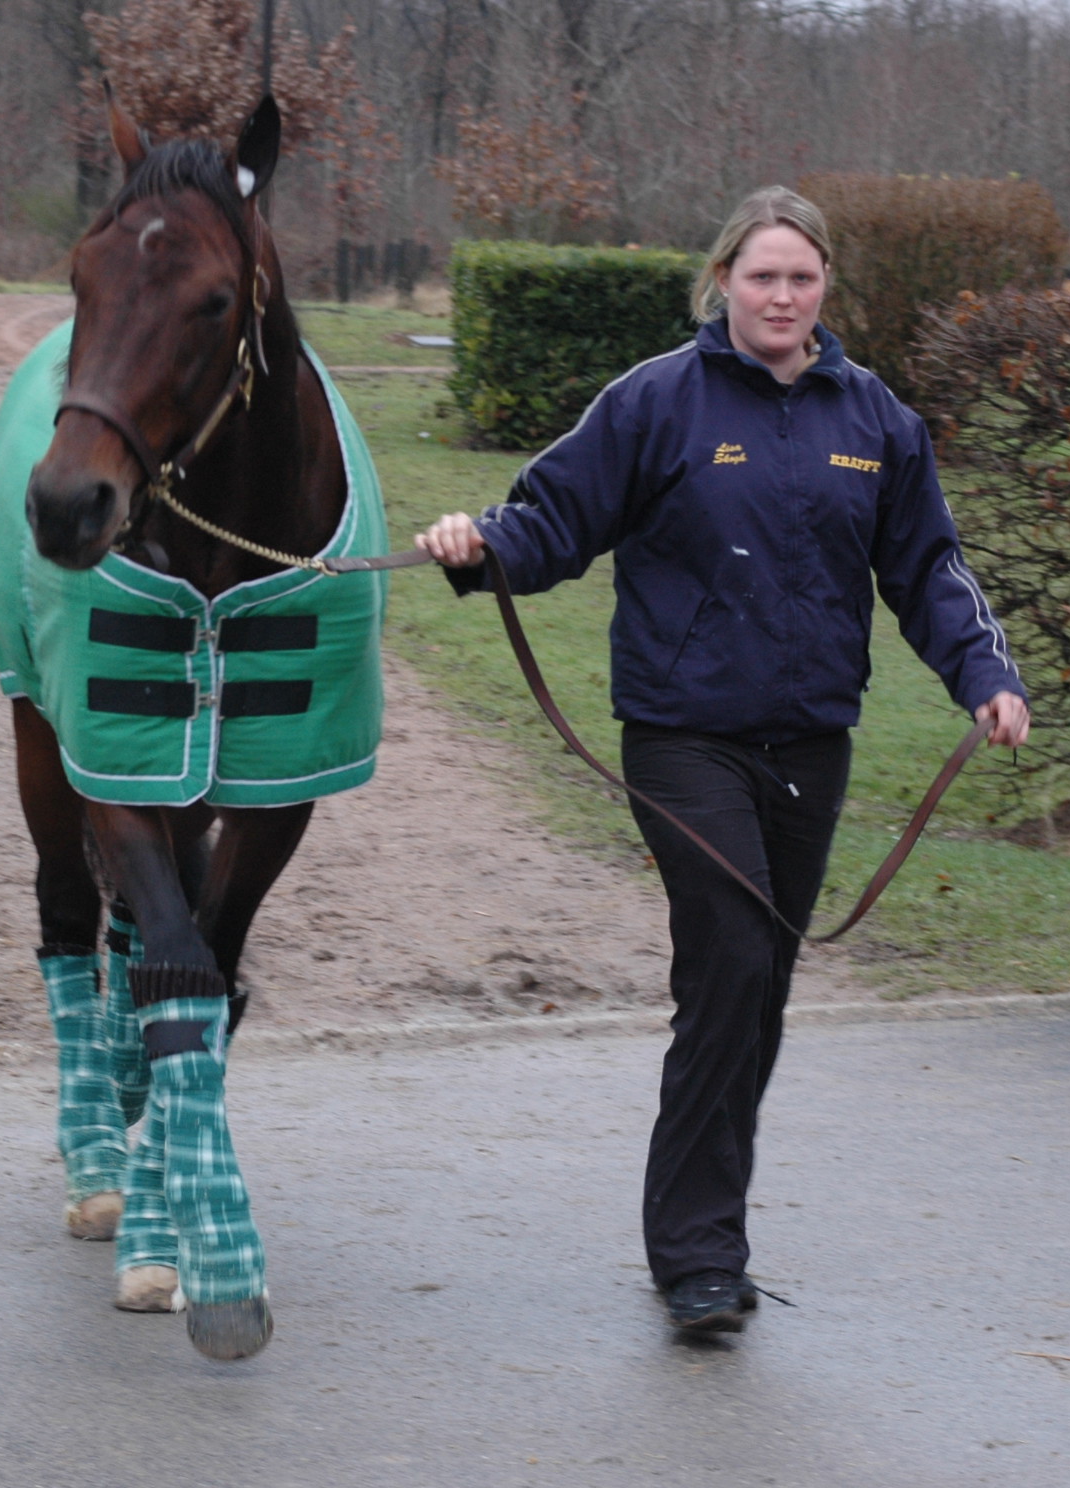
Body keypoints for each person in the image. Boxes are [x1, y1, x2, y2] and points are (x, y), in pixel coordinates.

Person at [415, 186, 1030, 1334]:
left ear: (823, 290)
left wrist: (984, 676)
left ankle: (703, 1229)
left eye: (800, 278)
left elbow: (927, 569)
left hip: (809, 742)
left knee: (754, 993)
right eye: (761, 277)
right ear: (722, 285)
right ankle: (698, 1254)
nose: (781, 297)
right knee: (734, 960)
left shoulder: (875, 422)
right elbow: (552, 520)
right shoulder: (654, 402)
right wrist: (475, 544)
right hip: (682, 736)